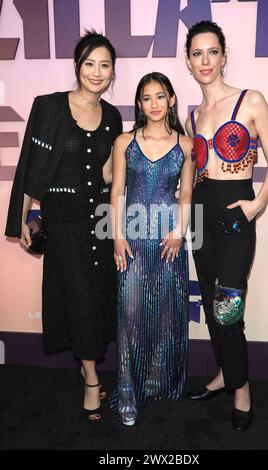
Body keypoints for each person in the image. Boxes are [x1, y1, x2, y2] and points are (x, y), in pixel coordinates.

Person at [5, 30, 123, 425]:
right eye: (90, 63)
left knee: (97, 295)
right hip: (64, 220)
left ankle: (87, 365)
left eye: (104, 65)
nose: (96, 71)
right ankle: (91, 378)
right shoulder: (50, 107)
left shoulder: (112, 117)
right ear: (77, 66)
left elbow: (109, 173)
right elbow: (31, 168)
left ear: (112, 73)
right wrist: (22, 216)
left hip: (100, 220)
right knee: (77, 295)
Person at [184, 21, 268, 431]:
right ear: (188, 63)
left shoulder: (251, 100)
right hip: (202, 217)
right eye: (196, 54)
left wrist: (257, 204)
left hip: (235, 216)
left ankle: (241, 389)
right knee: (210, 305)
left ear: (223, 56)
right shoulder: (192, 114)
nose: (205, 61)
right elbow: (193, 167)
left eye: (212, 52)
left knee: (228, 312)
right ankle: (225, 373)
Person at [108, 72, 194, 425]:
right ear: (139, 104)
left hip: (168, 239)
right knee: (129, 314)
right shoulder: (124, 142)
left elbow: (187, 193)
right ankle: (127, 389)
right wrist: (116, 236)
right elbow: (115, 192)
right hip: (131, 237)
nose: (154, 104)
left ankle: (157, 379)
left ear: (172, 99)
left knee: (166, 312)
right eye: (147, 98)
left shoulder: (187, 145)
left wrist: (179, 232)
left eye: (161, 96)